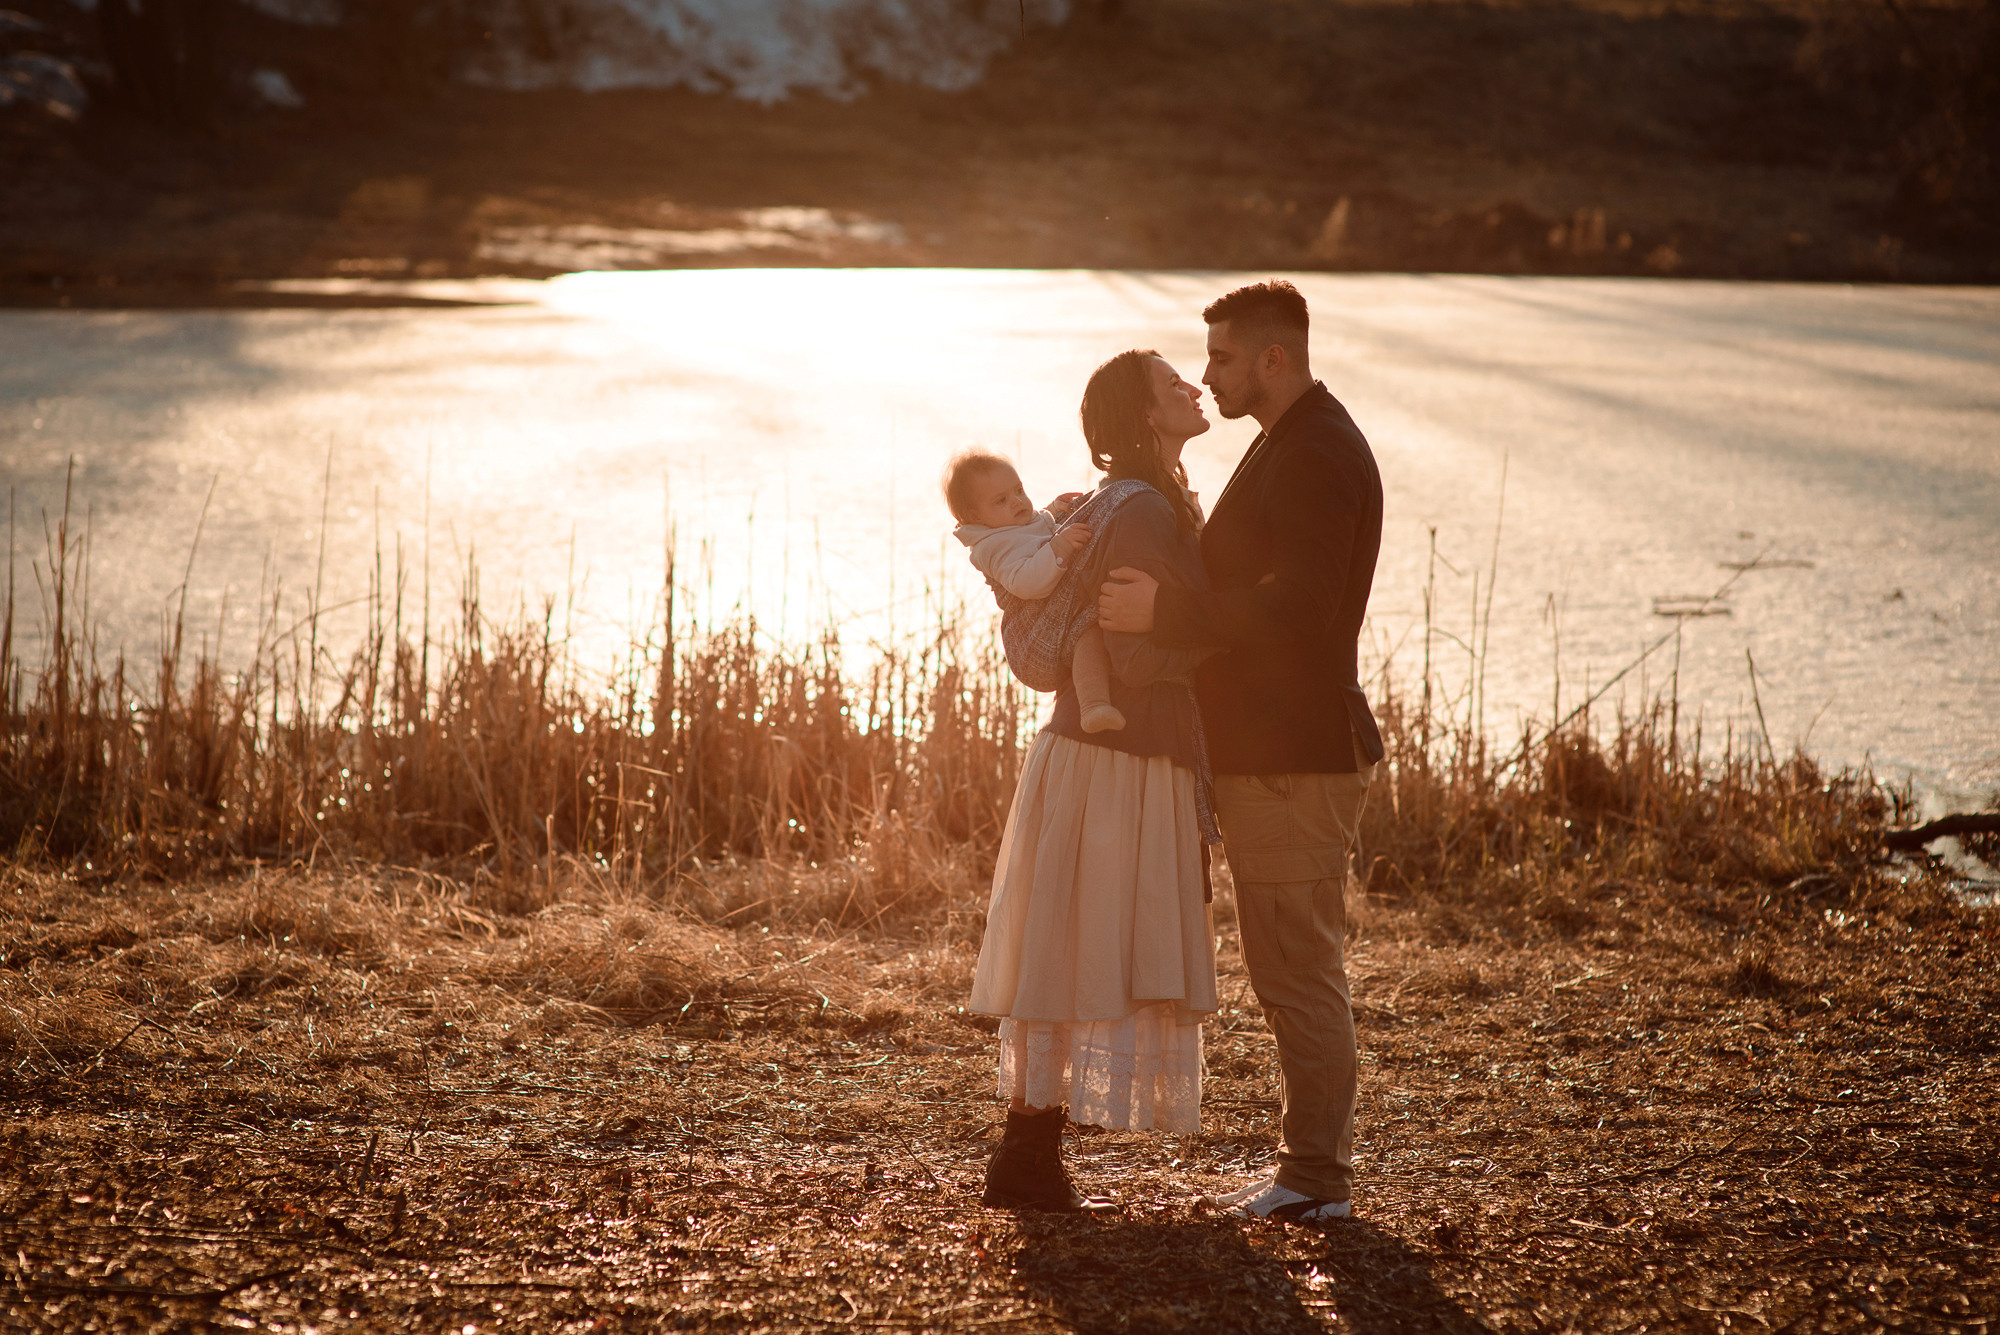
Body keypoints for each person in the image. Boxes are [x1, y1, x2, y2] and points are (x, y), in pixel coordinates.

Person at [1097, 280, 1386, 1222]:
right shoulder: (1287, 442)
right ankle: (1309, 1169)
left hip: (1297, 754)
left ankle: (1316, 1181)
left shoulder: (1318, 453)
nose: (1208, 372)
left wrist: (1166, 612)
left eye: (1220, 357)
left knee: (1298, 966)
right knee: (1287, 962)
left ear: (1272, 357)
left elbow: (1299, 607)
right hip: (1273, 752)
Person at [968, 348, 1221, 1212]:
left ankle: (1029, 1152)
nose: (1192, 386)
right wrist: (1219, 644)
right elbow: (1132, 644)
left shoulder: (1130, 500)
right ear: (1144, 416)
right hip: (1117, 755)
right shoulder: (1144, 508)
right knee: (1084, 943)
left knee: (1069, 941)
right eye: (1171, 384)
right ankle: (1027, 1155)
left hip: (1095, 752)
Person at [942, 450, 1125, 734]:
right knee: (1088, 634)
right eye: (1001, 500)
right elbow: (1027, 582)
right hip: (1035, 631)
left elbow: (1034, 529)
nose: (1016, 501)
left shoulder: (1008, 525)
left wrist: (1055, 510)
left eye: (1018, 490)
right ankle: (1093, 705)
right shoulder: (992, 548)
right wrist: (1059, 547)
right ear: (975, 516)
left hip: (1054, 610)